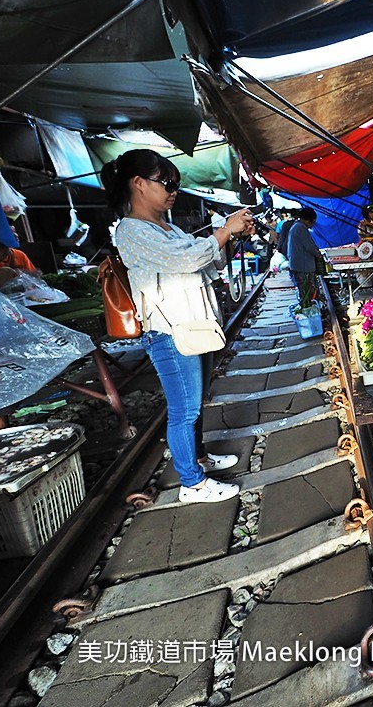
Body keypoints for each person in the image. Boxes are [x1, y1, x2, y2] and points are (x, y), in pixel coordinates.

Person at [104, 149, 255, 504]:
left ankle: (198, 457)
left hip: (191, 327)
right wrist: (223, 229)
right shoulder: (131, 230)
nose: (173, 190)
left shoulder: (168, 227)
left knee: (194, 402)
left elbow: (207, 263)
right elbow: (188, 259)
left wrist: (229, 237)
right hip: (168, 332)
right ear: (139, 184)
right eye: (167, 182)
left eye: (176, 184)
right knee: (184, 409)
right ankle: (192, 483)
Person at [287, 207, 322, 305]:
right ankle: (310, 313)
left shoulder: (296, 226)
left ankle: (309, 310)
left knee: (304, 293)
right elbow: (309, 246)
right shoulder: (300, 228)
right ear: (310, 220)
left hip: (297, 265)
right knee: (308, 293)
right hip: (303, 266)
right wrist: (318, 254)